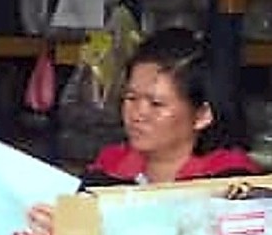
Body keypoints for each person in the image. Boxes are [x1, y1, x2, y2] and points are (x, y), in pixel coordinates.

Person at [85, 26, 260, 186]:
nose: (137, 114)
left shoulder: (230, 180)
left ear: (202, 115)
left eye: (156, 104)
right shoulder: (109, 167)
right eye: (131, 98)